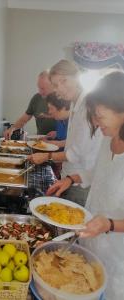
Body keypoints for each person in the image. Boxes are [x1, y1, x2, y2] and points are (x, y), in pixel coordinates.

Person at [76, 71, 124, 299]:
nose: (95, 122)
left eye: (100, 116)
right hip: (92, 242)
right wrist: (70, 178)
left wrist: (110, 224)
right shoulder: (108, 140)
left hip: (119, 260)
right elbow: (96, 174)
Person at [28, 60, 102, 206]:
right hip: (70, 177)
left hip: (80, 183)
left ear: (77, 77)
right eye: (55, 85)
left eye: (64, 81)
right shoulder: (75, 104)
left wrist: (46, 156)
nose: (60, 88)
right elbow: (72, 145)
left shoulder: (87, 106)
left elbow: (76, 153)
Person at [4, 70, 56, 139]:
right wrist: (12, 128)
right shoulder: (36, 98)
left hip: (60, 145)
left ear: (52, 86)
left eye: (43, 88)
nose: (40, 92)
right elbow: (24, 119)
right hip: (41, 142)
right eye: (39, 87)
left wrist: (58, 133)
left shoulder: (62, 99)